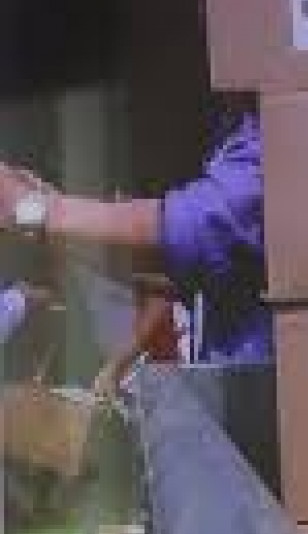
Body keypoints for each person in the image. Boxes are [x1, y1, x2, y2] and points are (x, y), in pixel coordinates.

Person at [0, 103, 271, 374]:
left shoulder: (271, 119)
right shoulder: (233, 124)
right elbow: (175, 274)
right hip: (230, 381)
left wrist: (31, 209)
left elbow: (195, 236)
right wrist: (45, 218)